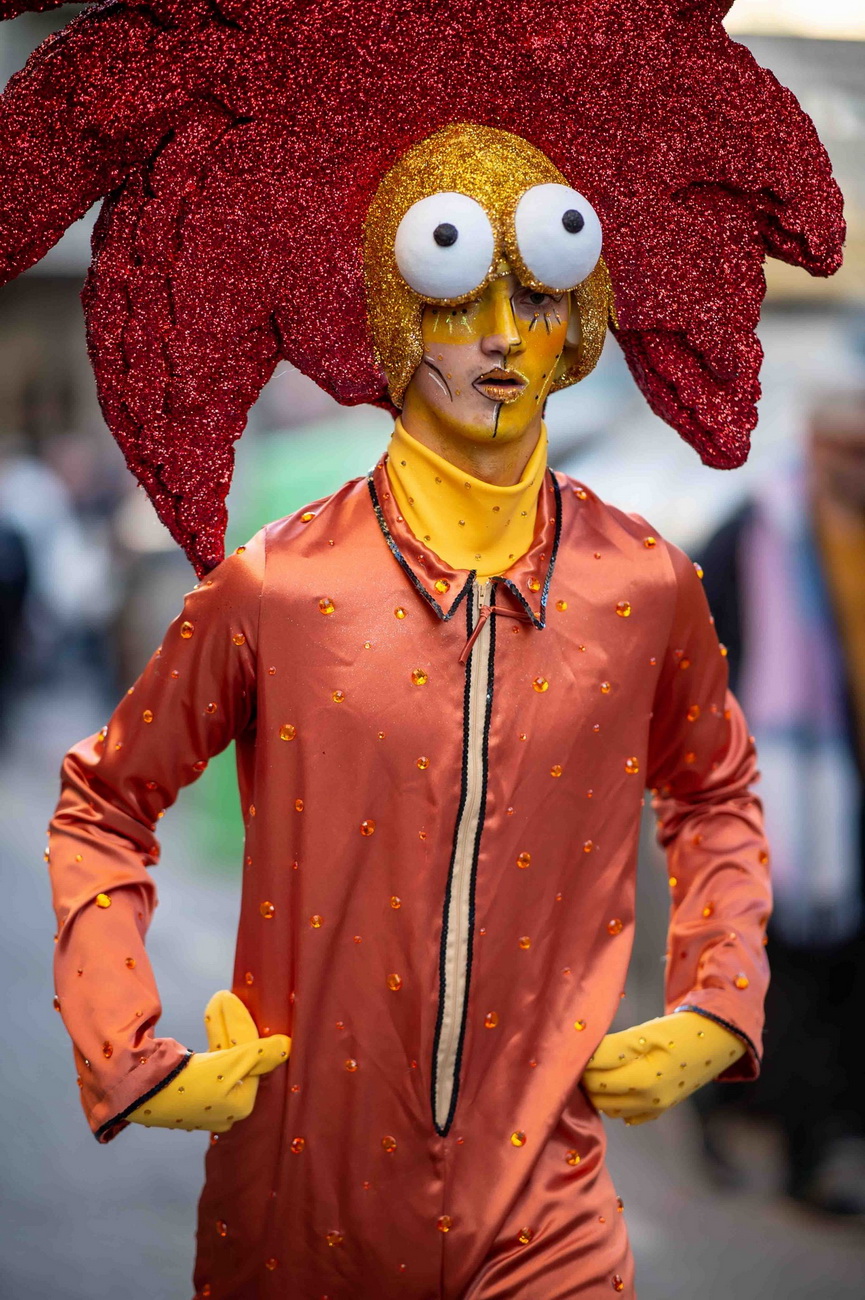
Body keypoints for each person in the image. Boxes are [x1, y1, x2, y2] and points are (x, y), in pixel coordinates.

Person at [0, 2, 844, 1296]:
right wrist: (126, 1039)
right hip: (300, 1216)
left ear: (579, 317)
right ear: (396, 310)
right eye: (458, 290)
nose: (501, 330)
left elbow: (715, 793)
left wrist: (720, 998)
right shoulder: (281, 587)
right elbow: (104, 801)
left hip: (550, 1220)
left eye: (538, 287)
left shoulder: (643, 586)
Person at [695, 393, 865, 1216]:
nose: (856, 468)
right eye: (845, 449)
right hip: (778, 790)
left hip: (846, 788)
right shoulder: (755, 533)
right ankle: (791, 1150)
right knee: (780, 970)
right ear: (814, 445)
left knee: (837, 972)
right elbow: (691, 652)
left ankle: (808, 1128)